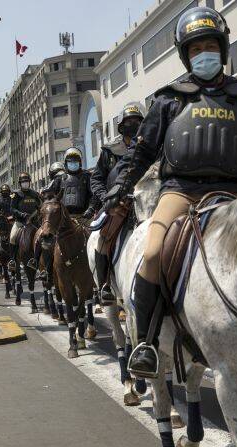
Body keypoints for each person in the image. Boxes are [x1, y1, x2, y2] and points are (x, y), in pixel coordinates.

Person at [105, 6, 237, 377]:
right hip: (181, 192)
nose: (203, 53)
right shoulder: (168, 99)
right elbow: (141, 152)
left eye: (209, 46)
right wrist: (121, 186)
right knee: (155, 251)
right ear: (186, 55)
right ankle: (146, 341)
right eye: (195, 49)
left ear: (222, 50)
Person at [91, 102, 145, 302]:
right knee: (104, 238)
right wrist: (107, 197)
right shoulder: (110, 151)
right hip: (118, 205)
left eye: (138, 121)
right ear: (121, 126)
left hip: (145, 201)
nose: (133, 124)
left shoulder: (150, 146)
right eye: (129, 121)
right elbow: (96, 179)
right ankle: (104, 284)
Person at [28, 162, 68, 276]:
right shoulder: (49, 187)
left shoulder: (69, 181)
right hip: (53, 217)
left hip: (70, 215)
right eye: (57, 175)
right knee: (41, 235)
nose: (59, 177)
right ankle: (36, 261)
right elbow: (44, 200)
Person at [9, 172, 42, 267]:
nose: (25, 183)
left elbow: (40, 206)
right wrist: (21, 214)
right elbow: (12, 209)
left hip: (34, 222)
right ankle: (12, 261)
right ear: (20, 183)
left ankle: (41, 260)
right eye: (23, 182)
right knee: (12, 238)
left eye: (27, 181)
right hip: (20, 222)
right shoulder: (15, 194)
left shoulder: (35, 194)